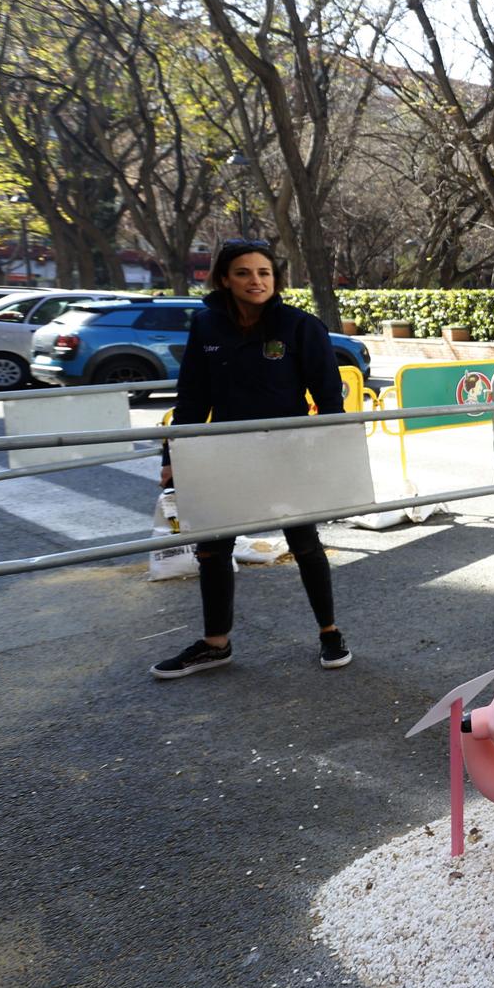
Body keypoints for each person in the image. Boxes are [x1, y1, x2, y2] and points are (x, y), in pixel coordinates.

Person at [149, 240, 350, 679]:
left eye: (264, 272)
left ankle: (330, 632)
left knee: (305, 543)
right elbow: (191, 399)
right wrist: (172, 456)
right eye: (243, 272)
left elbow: (330, 400)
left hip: (286, 453)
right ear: (224, 278)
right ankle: (215, 644)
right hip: (223, 453)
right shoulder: (206, 326)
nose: (255, 281)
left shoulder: (300, 326)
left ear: (275, 279)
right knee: (212, 549)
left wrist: (330, 454)